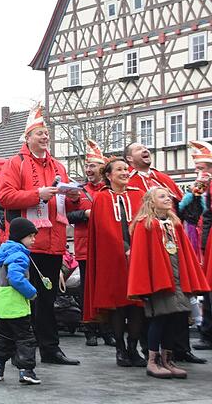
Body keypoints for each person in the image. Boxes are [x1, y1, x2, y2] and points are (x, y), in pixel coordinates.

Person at [0, 106, 80, 365]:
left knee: (48, 299)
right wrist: (36, 195)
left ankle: (50, 350)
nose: (45, 137)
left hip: (53, 244)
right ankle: (20, 349)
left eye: (47, 133)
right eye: (40, 133)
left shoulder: (58, 166)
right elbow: (5, 197)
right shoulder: (15, 163)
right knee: (24, 300)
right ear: (28, 137)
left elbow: (67, 205)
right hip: (27, 246)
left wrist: (74, 198)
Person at [124, 142, 205, 363]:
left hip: (173, 248)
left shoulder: (164, 179)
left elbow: (184, 213)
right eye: (139, 148)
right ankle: (151, 354)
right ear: (130, 158)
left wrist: (196, 194)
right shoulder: (129, 183)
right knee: (154, 309)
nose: (146, 149)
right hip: (149, 249)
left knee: (179, 305)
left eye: (146, 147)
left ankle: (180, 349)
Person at [128, 187, 211, 378]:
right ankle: (152, 360)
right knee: (159, 320)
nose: (168, 199)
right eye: (162, 196)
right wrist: (145, 285)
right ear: (151, 202)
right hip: (159, 282)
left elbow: (184, 254)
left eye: (168, 196)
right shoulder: (145, 224)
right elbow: (141, 259)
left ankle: (167, 359)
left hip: (177, 280)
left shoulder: (174, 224)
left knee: (174, 320)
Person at [83, 157, 146, 367]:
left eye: (126, 169)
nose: (125, 172)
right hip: (113, 258)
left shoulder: (138, 196)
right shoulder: (101, 198)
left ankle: (133, 348)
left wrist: (136, 248)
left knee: (137, 304)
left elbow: (145, 222)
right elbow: (104, 229)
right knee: (118, 304)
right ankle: (120, 349)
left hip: (138, 257)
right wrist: (123, 248)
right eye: (119, 170)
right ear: (108, 176)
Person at [66, 139, 112, 347]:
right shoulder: (79, 191)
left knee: (107, 289)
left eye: (92, 165)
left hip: (107, 248)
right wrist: (85, 213)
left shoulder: (109, 191)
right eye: (87, 166)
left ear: (103, 168)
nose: (88, 169)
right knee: (86, 291)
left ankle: (108, 330)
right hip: (85, 248)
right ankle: (90, 330)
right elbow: (68, 216)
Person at [0, 218, 41, 385]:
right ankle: (26, 370)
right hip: (16, 304)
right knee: (25, 338)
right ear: (20, 237)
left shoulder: (1, 252)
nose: (34, 240)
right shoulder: (19, 255)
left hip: (1, 305)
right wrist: (32, 292)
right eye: (31, 236)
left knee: (3, 337)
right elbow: (15, 278)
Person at [188, 140, 212, 351]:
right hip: (206, 241)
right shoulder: (200, 189)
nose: (199, 172)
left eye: (201, 168)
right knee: (208, 288)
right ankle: (207, 333)